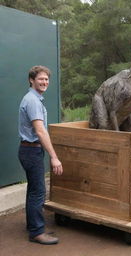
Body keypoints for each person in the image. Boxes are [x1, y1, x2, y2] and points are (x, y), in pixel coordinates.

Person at [18, 65, 63, 244]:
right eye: (40, 79)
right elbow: (40, 131)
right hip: (31, 150)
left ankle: (33, 226)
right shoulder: (33, 101)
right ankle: (37, 232)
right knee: (38, 192)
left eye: (46, 79)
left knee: (33, 190)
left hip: (30, 149)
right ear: (31, 80)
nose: (45, 82)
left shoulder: (33, 99)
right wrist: (54, 156)